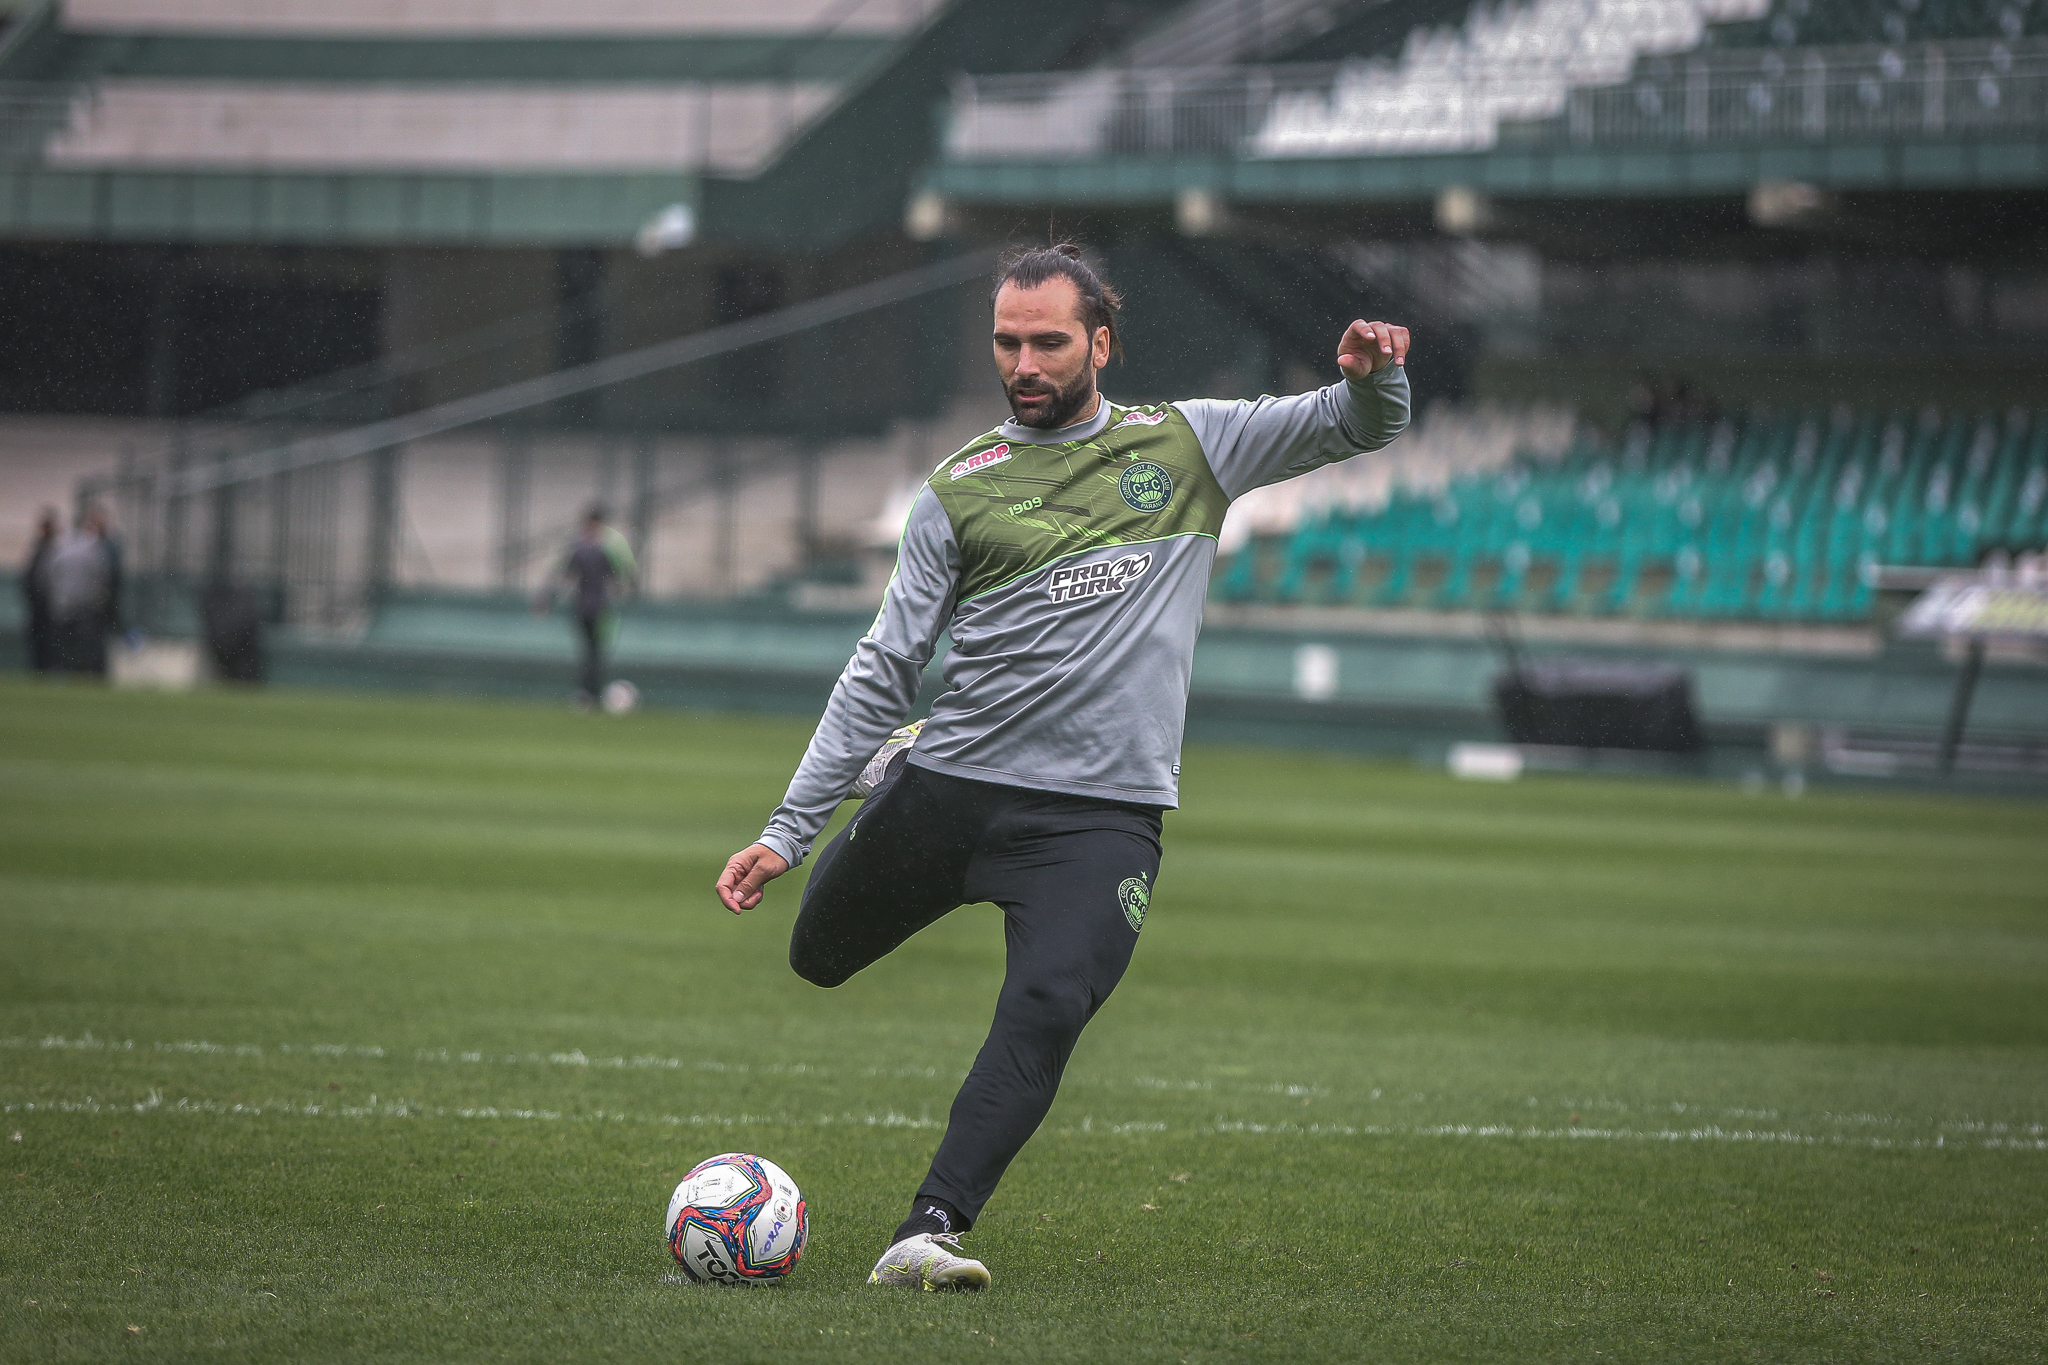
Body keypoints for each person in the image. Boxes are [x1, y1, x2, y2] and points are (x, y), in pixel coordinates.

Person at [714, 243, 1412, 1291]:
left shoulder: (1189, 446)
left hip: (1099, 818)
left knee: (1046, 1006)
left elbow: (1359, 425)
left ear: (1101, 341)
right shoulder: (956, 489)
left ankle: (927, 1232)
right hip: (947, 790)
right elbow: (883, 665)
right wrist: (785, 830)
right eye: (1007, 342)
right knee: (817, 956)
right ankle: (897, 770)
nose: (1025, 362)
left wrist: (1374, 375)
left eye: (1047, 340)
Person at [535, 503, 636, 706]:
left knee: (591, 652)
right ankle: (591, 694)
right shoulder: (603, 548)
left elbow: (564, 575)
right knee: (595, 652)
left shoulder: (580, 547)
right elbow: (621, 576)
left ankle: (586, 694)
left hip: (585, 606)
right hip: (597, 607)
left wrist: (547, 598)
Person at [40, 505, 122, 678]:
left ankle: (63, 674)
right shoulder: (95, 549)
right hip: (86, 606)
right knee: (86, 646)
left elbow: (47, 576)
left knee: (65, 645)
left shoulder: (60, 548)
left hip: (63, 605)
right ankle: (86, 675)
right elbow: (103, 578)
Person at [20, 506, 58, 673]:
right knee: (38, 638)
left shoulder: (55, 548)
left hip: (50, 603)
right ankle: (39, 668)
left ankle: (48, 668)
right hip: (39, 602)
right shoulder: (39, 548)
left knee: (49, 639)